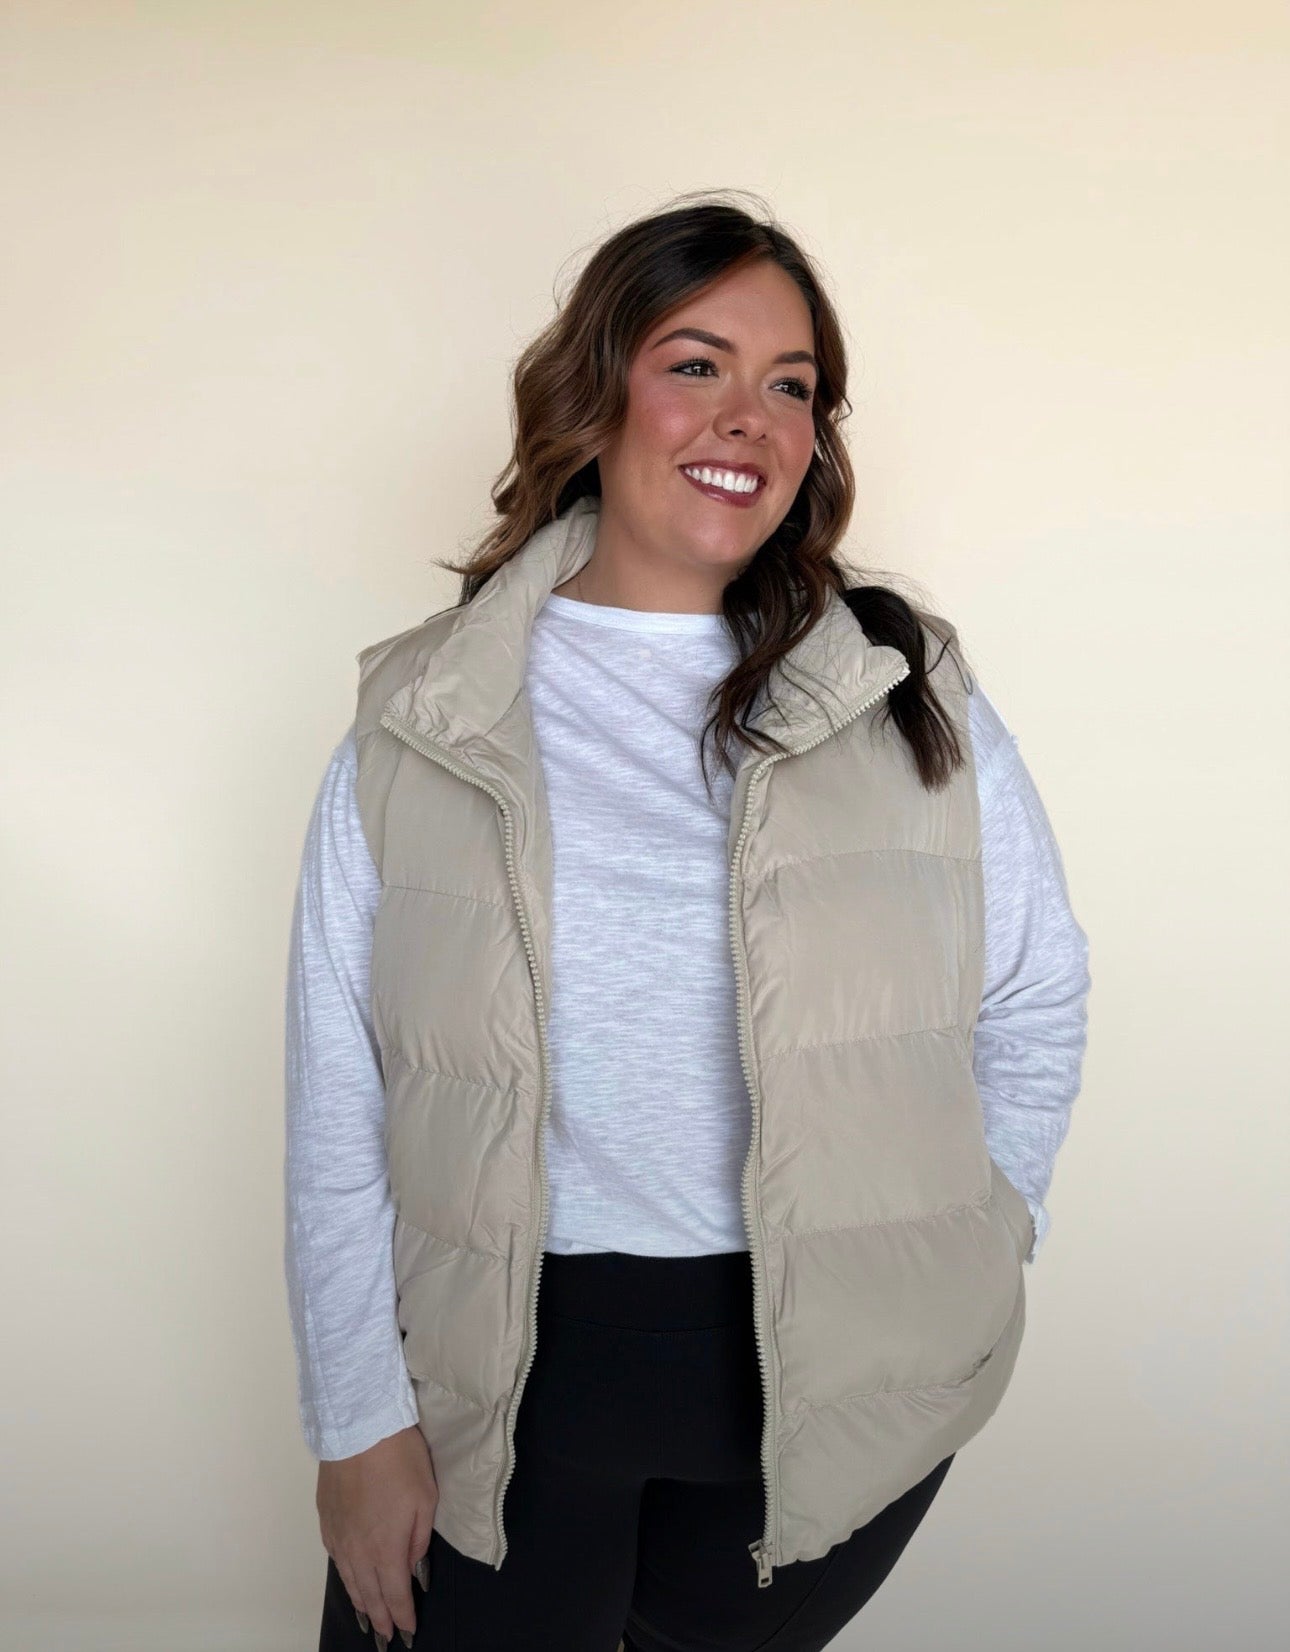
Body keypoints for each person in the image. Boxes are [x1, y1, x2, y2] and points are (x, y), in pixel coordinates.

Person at [284, 192, 1091, 1651]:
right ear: (595, 393)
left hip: (827, 1376)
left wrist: (977, 1243)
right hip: (504, 1372)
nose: (749, 419)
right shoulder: (424, 715)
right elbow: (340, 1088)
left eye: (791, 386)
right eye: (695, 363)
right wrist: (354, 1419)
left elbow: (1036, 999)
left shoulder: (903, 690)